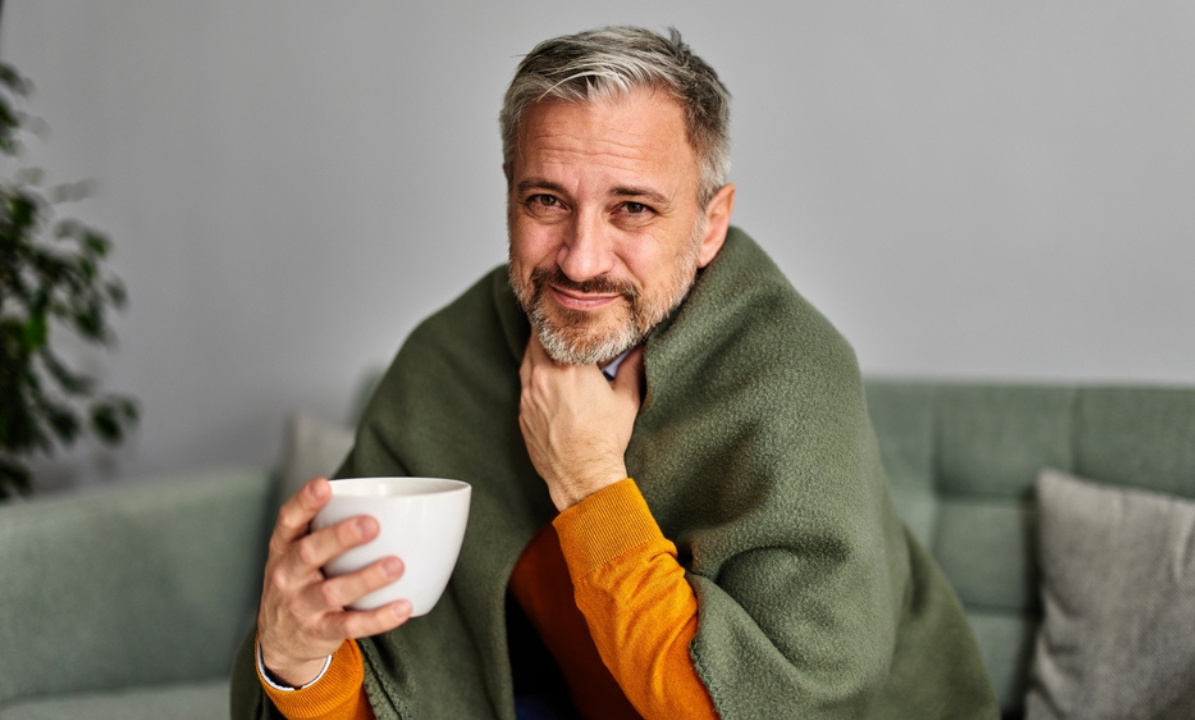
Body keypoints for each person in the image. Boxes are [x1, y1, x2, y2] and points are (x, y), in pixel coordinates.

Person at [231, 26, 999, 720]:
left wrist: (589, 480)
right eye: (546, 201)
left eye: (632, 208)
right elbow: (391, 689)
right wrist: (296, 662)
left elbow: (780, 707)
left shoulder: (792, 374)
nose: (580, 259)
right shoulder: (447, 362)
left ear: (710, 225)